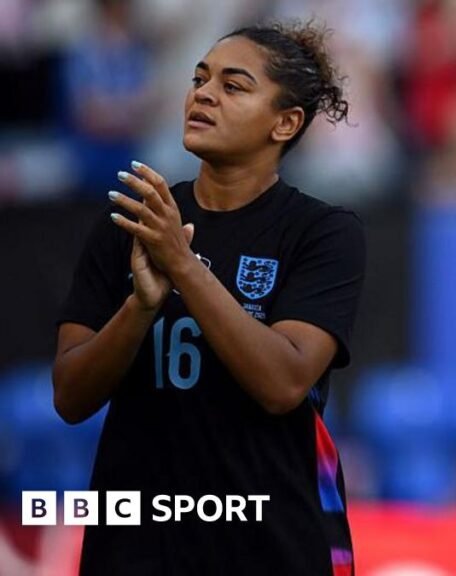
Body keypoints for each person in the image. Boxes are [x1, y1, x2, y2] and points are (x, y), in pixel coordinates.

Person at [52, 20, 364, 576]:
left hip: (273, 546)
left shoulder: (322, 233)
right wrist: (140, 307)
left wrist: (183, 267)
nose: (203, 94)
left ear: (285, 123)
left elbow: (284, 383)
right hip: (136, 548)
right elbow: (70, 397)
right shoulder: (130, 221)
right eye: (200, 79)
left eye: (234, 85)